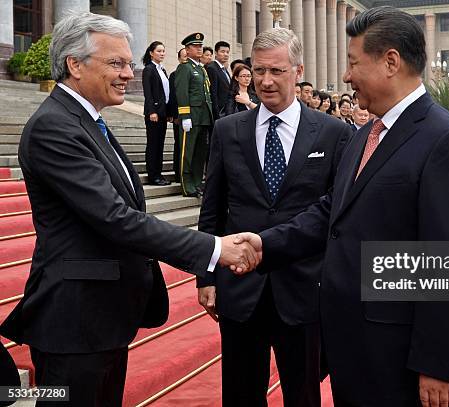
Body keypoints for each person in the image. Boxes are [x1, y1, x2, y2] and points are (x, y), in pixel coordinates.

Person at [236, 6, 449, 406]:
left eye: (353, 62)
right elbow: (331, 213)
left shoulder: (448, 141)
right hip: (353, 347)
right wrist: (265, 245)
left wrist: (439, 363)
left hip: (402, 358)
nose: (345, 76)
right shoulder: (364, 135)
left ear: (390, 62)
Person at [0, 12, 260, 406]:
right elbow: (114, 218)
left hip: (101, 320)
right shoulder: (55, 126)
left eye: (129, 62)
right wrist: (214, 249)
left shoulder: (88, 122)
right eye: (116, 63)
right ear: (75, 64)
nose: (128, 73)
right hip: (74, 324)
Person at [197, 28, 352, 407]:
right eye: (258, 69)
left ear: (297, 71)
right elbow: (213, 208)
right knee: (240, 392)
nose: (265, 81)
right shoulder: (227, 129)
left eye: (277, 71)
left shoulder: (332, 133)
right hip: (238, 285)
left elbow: (338, 213)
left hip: (303, 287)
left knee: (302, 393)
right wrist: (206, 276)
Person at [174, 32, 215, 197]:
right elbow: (182, 93)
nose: (199, 49)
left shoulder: (201, 69)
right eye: (195, 46)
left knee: (200, 153)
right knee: (188, 152)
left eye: (201, 46)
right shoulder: (184, 68)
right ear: (187, 49)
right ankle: (187, 185)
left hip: (203, 117)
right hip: (191, 116)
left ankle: (197, 183)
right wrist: (185, 116)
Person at [141, 41, 171, 186]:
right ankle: (153, 176)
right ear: (151, 53)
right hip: (154, 114)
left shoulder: (162, 70)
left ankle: (159, 174)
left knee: (160, 144)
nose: (162, 53)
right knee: (153, 144)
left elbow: (166, 94)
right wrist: (152, 111)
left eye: (163, 51)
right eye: (159, 51)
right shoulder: (149, 69)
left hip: (163, 113)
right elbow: (148, 93)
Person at [168, 47, 187, 179]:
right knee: (179, 144)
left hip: (192, 117)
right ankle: (178, 172)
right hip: (179, 116)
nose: (186, 58)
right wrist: (174, 115)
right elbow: (173, 96)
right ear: (179, 58)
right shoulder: (175, 74)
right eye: (183, 56)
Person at [207, 40, 232, 117]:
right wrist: (216, 114)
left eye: (227, 52)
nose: (226, 54)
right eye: (223, 51)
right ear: (216, 53)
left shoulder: (224, 69)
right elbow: (213, 93)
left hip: (227, 110)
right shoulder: (212, 68)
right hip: (219, 112)